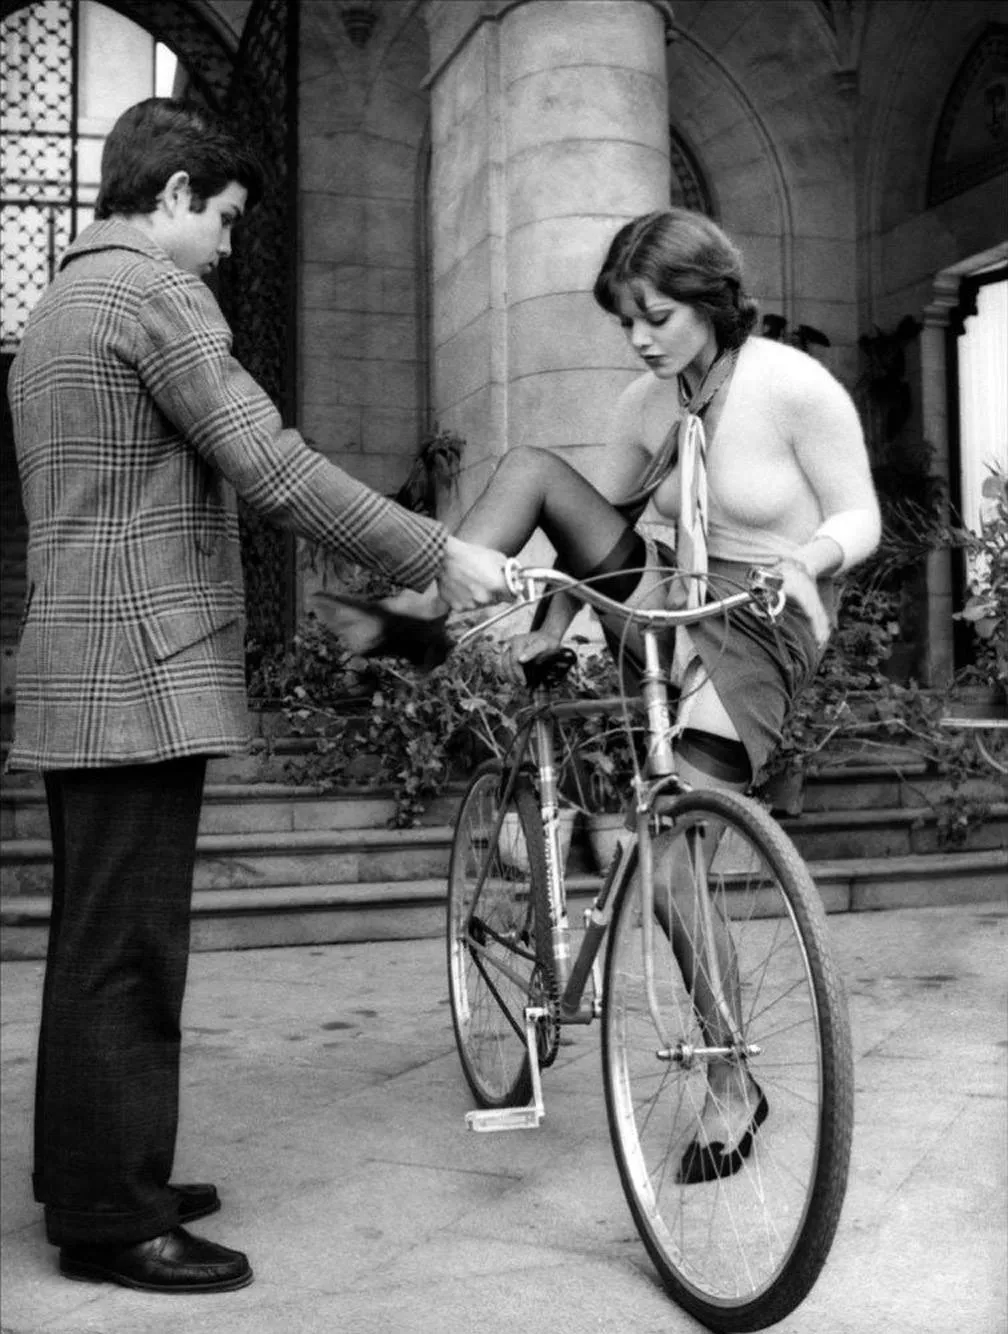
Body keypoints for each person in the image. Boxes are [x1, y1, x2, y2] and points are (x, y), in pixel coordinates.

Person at [6, 97, 510, 1295]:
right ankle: (111, 1218)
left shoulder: (56, 306)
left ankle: (98, 1174)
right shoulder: (155, 294)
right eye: (224, 220)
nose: (229, 248)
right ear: (175, 196)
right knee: (127, 952)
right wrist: (437, 553)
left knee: (97, 940)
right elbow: (273, 465)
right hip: (139, 662)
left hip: (82, 658)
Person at [318, 207, 881, 1182]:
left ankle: (731, 1078)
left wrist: (811, 558)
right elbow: (604, 528)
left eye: (655, 314)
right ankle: (425, 614)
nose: (640, 337)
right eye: (625, 320)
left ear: (711, 298)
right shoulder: (644, 404)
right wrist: (553, 620)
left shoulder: (792, 386)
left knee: (668, 867)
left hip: (759, 617)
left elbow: (860, 512)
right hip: (664, 604)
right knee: (536, 468)